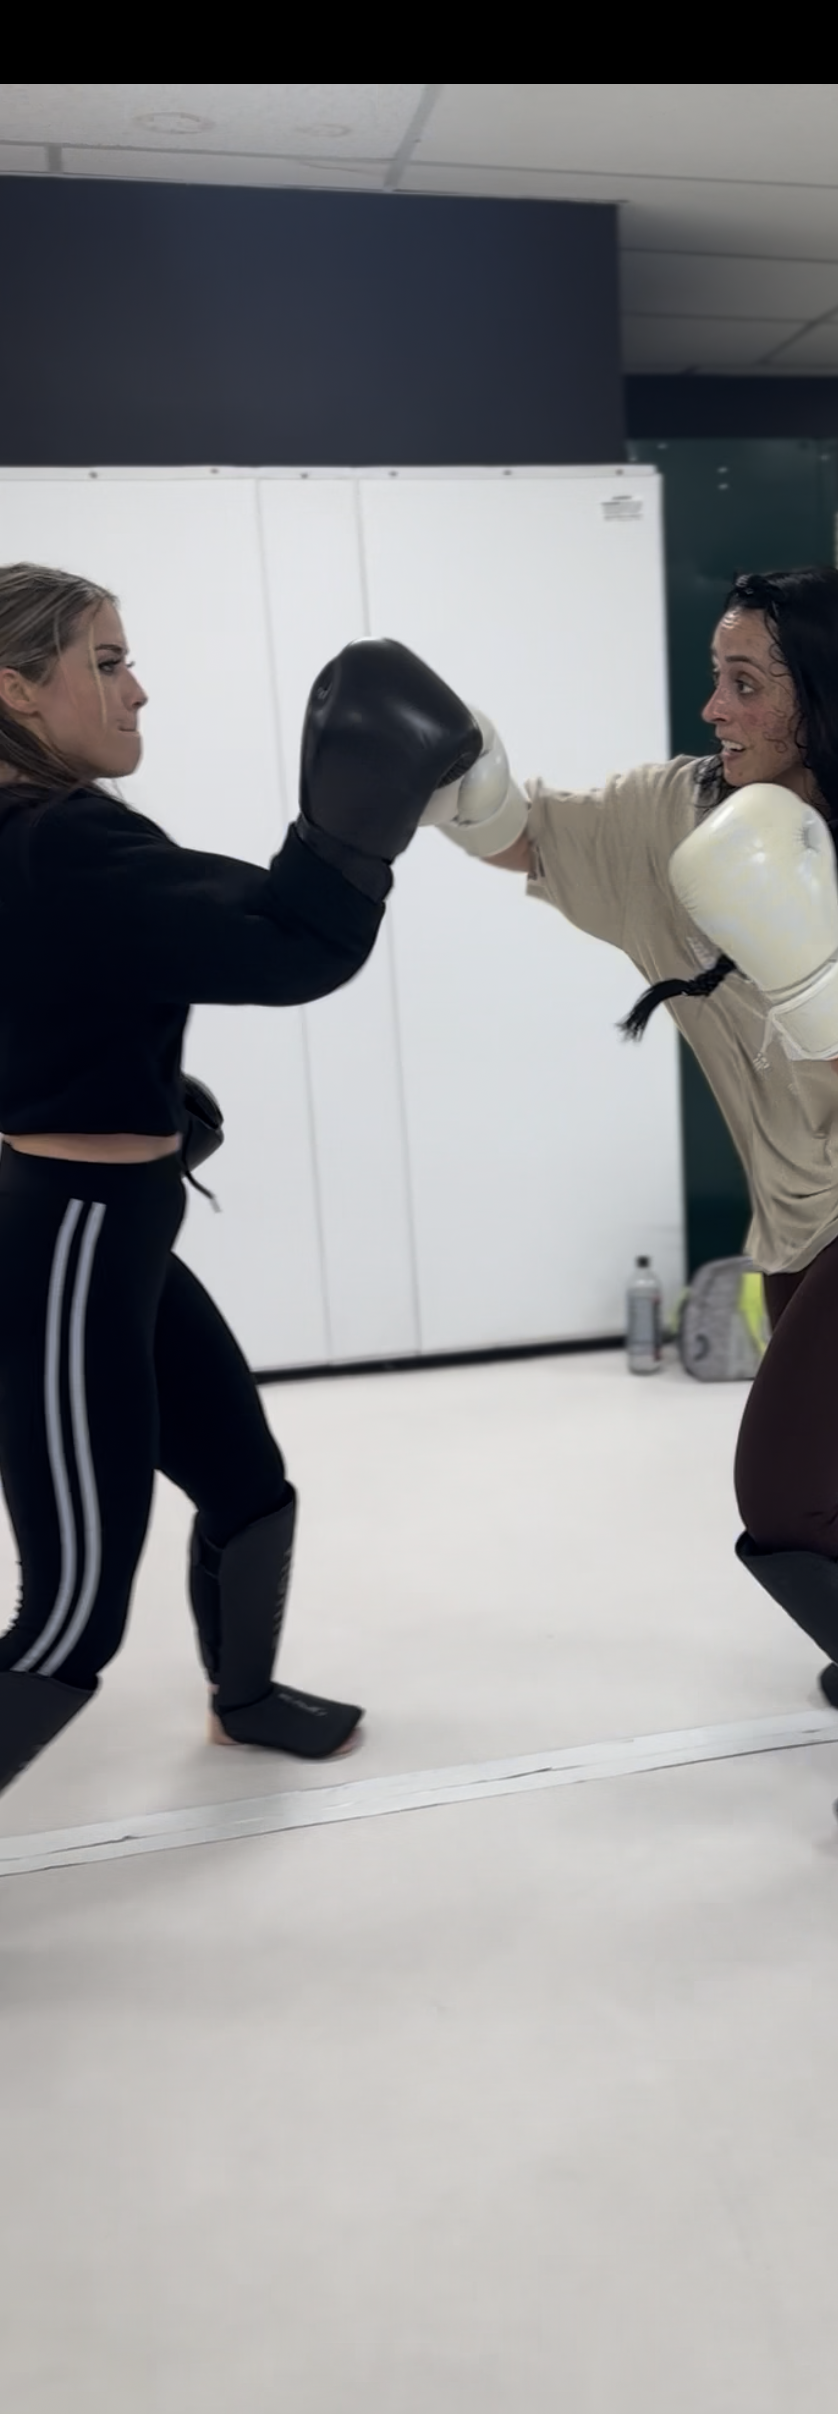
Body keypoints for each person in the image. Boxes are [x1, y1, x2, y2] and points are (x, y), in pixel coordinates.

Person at [422, 567, 838, 1848]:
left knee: (785, 1487)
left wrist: (794, 932)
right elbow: (530, 837)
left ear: (827, 700)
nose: (715, 707)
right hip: (801, 1197)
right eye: (717, 676)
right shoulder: (678, 809)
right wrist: (451, 771)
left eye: (746, 683)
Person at [0, 562, 481, 1804]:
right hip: (67, 1249)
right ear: (16, 686)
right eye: (107, 662)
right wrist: (355, 820)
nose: (138, 691)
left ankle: (247, 1698)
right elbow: (286, 944)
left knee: (247, 1485)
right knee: (70, 1618)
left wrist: (120, 1091)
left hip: (117, 1233)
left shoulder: (37, 839)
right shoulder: (61, 841)